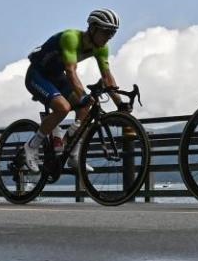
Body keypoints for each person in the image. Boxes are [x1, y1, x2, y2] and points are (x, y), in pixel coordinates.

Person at [22, 9, 128, 172]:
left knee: (86, 107)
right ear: (92, 28)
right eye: (106, 32)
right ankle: (31, 146)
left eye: (112, 33)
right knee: (63, 107)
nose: (109, 37)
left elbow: (107, 78)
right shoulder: (71, 38)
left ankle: (73, 154)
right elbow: (71, 71)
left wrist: (120, 104)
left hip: (56, 76)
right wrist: (83, 96)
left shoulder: (102, 48)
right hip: (38, 75)